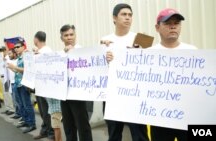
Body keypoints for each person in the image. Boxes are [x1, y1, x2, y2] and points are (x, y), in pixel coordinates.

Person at [100, 3, 149, 141]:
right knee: (114, 133)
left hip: (135, 94)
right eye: (124, 14)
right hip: (112, 95)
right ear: (114, 18)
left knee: (139, 134)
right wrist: (104, 58)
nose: (128, 18)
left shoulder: (141, 38)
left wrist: (144, 49)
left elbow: (151, 65)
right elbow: (97, 68)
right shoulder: (105, 41)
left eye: (130, 15)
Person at [150, 8, 196, 141]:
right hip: (160, 119)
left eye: (176, 23)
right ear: (157, 27)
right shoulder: (148, 55)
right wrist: (112, 59)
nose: (173, 26)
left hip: (188, 117)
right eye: (167, 23)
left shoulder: (193, 52)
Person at [60, 24, 93, 141]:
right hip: (64, 95)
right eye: (66, 35)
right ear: (62, 38)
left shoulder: (83, 51)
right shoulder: (60, 54)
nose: (69, 37)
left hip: (79, 95)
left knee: (82, 125)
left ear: (75, 36)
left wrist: (73, 53)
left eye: (71, 34)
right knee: (68, 125)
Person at [7, 41, 36, 133]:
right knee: (21, 105)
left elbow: (27, 70)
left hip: (24, 84)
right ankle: (26, 121)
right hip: (17, 83)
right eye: (15, 47)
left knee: (27, 105)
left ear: (23, 47)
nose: (16, 49)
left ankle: (32, 124)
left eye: (18, 47)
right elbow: (18, 72)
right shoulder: (19, 58)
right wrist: (12, 68)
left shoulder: (27, 56)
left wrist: (14, 67)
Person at [33, 31, 55, 140]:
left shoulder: (46, 51)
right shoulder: (38, 51)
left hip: (45, 86)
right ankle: (45, 130)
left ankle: (51, 132)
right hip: (39, 85)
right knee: (42, 110)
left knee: (46, 110)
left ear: (36, 39)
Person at [0, 46, 15, 115]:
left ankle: (11, 109)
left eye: (3, 51)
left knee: (8, 94)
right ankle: (7, 108)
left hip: (9, 79)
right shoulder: (2, 59)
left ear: (6, 50)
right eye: (0, 51)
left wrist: (4, 58)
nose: (2, 52)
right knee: (5, 94)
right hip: (4, 78)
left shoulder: (8, 58)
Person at [7, 49, 22, 119]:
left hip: (17, 82)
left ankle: (20, 114)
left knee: (18, 100)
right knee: (14, 100)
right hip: (12, 82)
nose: (8, 55)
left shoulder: (18, 61)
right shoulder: (9, 61)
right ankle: (17, 113)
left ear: (14, 54)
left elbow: (17, 71)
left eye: (10, 53)